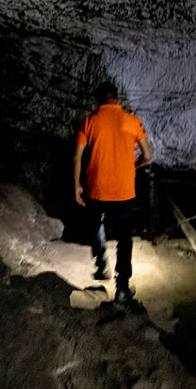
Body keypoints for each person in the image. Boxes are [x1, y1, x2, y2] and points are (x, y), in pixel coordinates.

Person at [73, 81, 153, 303]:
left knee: (96, 226)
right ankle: (122, 289)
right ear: (116, 99)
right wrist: (132, 166)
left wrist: (77, 186)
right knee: (124, 239)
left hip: (95, 190)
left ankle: (102, 267)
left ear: (97, 100)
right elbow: (147, 155)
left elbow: (77, 156)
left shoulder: (89, 121)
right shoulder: (132, 121)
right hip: (124, 193)